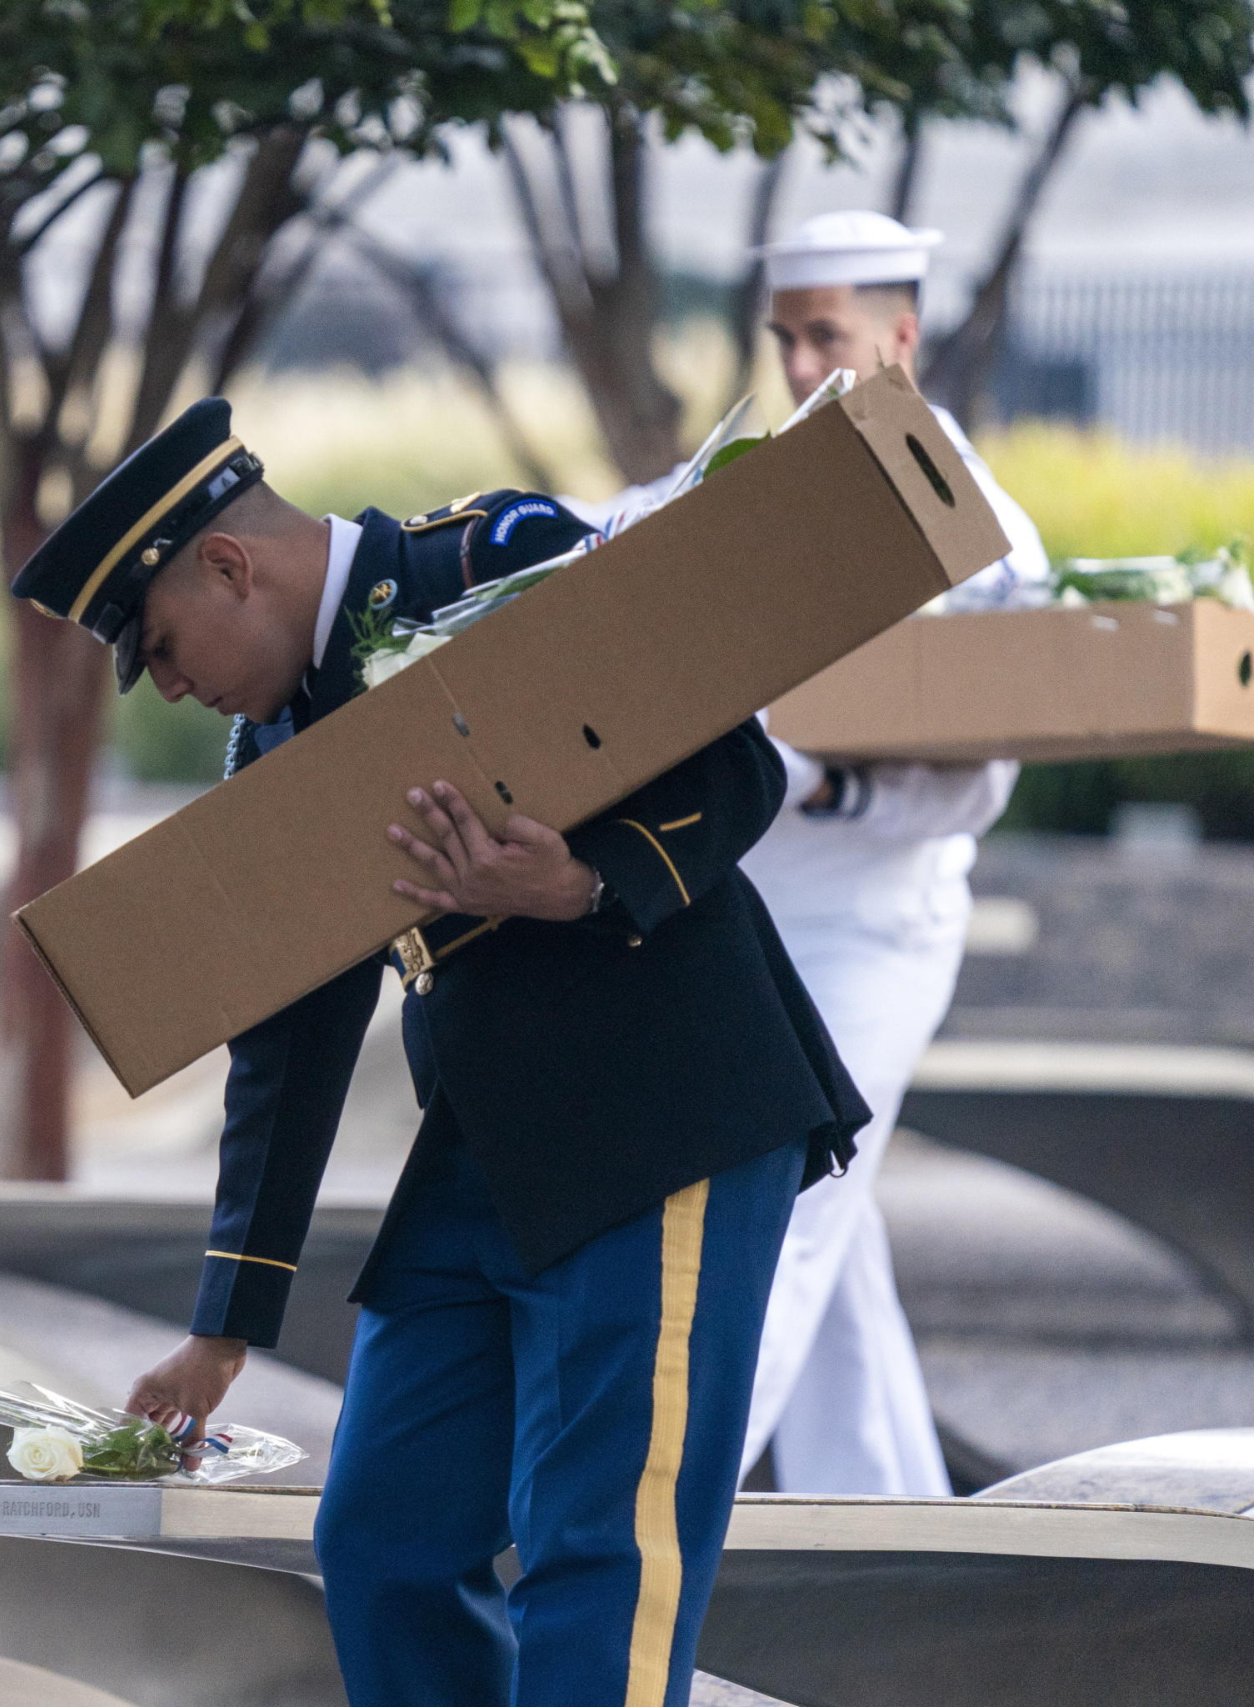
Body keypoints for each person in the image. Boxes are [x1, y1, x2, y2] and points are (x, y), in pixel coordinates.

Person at [9, 398, 868, 1707]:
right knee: (383, 1542)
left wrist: (578, 882)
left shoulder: (499, 559)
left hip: (660, 1109)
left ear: (231, 566)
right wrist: (223, 1332)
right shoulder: (275, 743)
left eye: (167, 646)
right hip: (487, 1152)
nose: (172, 685)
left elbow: (740, 764)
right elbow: (289, 1032)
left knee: (599, 1551)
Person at [579, 210, 1052, 1498]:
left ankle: (639, 1533)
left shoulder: (981, 533)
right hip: (743, 924)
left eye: (825, 336)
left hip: (872, 932)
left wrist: (827, 778)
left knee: (772, 1222)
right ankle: (904, 1551)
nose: (797, 365)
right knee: (832, 1260)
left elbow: (977, 782)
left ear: (900, 340)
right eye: (785, 337)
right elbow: (601, 538)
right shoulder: (737, 489)